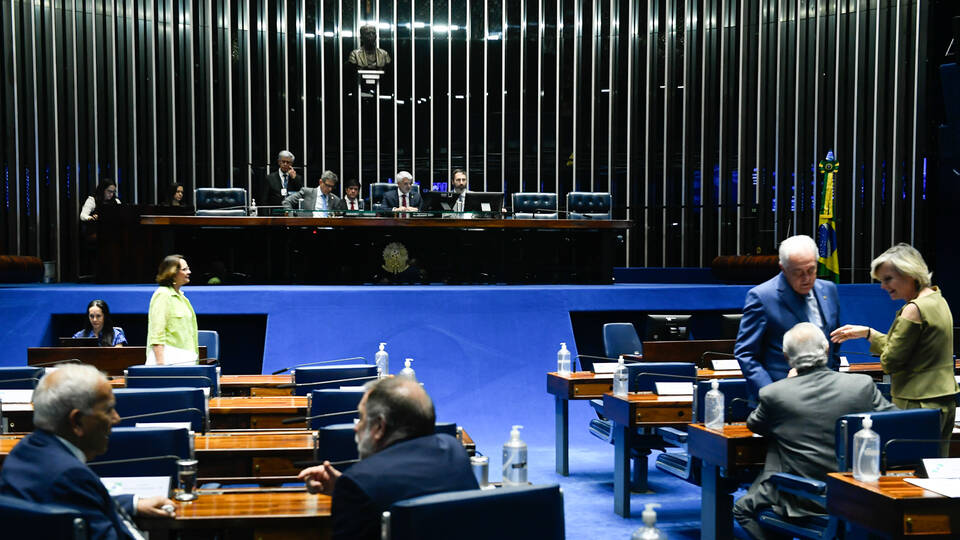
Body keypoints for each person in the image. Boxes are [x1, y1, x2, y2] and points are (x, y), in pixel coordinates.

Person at [732, 322, 895, 540]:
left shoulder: (775, 394)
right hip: (859, 494)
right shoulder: (861, 385)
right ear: (827, 350)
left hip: (804, 498)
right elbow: (896, 421)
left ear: (787, 357)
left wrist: (787, 384)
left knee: (742, 510)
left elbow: (755, 424)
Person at [0, 364, 175, 539]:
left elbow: (73, 501)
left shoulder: (24, 451)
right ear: (77, 421)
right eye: (108, 410)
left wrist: (134, 503)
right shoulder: (70, 475)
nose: (117, 419)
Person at [297, 377, 478, 540]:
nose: (356, 427)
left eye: (361, 418)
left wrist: (352, 487)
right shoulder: (454, 451)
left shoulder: (360, 483)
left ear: (379, 427)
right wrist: (346, 485)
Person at [831, 243, 958, 454]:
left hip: (917, 404)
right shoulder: (937, 299)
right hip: (943, 401)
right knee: (933, 465)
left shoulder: (913, 310)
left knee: (909, 466)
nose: (883, 286)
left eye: (888, 279)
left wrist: (879, 343)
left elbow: (890, 362)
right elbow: (912, 350)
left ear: (910, 274)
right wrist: (869, 333)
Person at [735, 234, 841, 398]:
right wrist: (771, 394)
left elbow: (834, 343)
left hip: (825, 393)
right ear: (783, 268)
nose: (806, 278)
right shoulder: (762, 297)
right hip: (781, 396)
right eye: (798, 272)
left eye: (811, 270)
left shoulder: (829, 290)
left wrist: (833, 379)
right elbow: (746, 353)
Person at [146, 254, 198, 365]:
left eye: (188, 268)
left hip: (186, 360)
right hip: (169, 363)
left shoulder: (182, 297)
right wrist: (161, 367)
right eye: (184, 269)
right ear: (173, 273)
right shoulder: (163, 295)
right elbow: (157, 334)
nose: (189, 272)